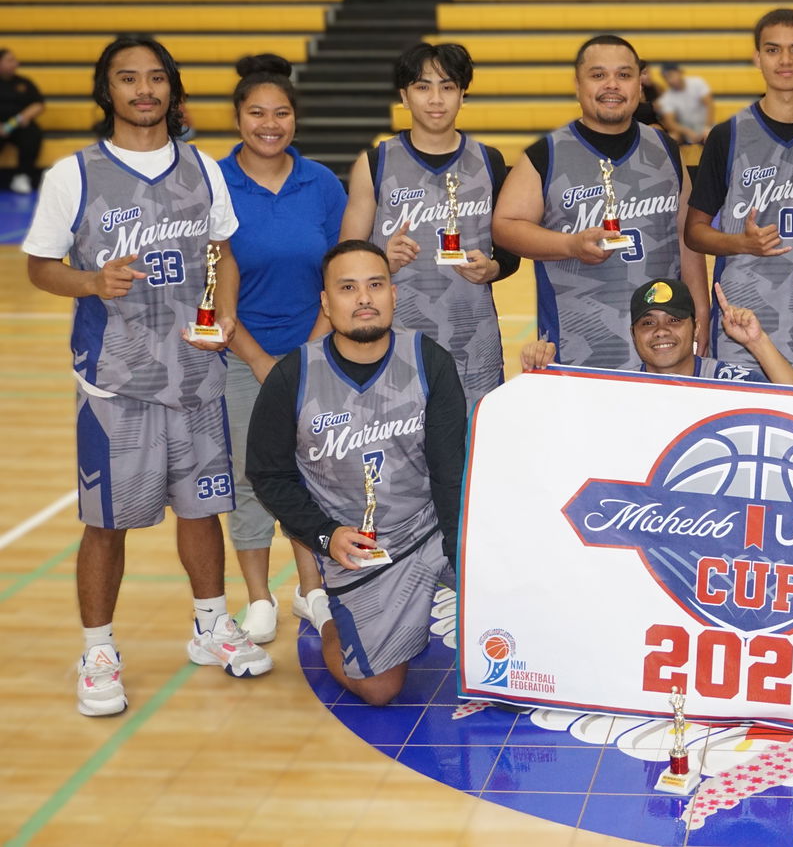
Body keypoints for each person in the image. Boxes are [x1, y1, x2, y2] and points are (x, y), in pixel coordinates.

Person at [22, 35, 272, 716]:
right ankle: (98, 650)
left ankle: (209, 623)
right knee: (107, 523)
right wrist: (90, 280)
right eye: (128, 78)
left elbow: (222, 254)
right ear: (107, 91)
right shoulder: (74, 173)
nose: (144, 90)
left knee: (204, 508)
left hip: (196, 374)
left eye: (156, 77)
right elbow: (40, 266)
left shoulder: (203, 168)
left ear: (172, 89)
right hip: (116, 382)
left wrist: (222, 318)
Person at [247, 240, 466, 706]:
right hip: (360, 546)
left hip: (431, 526)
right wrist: (326, 536)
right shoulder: (293, 377)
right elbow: (268, 475)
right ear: (326, 303)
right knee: (379, 690)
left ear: (393, 294)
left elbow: (451, 473)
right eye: (347, 288)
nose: (364, 298)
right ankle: (326, 612)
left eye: (375, 285)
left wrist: (465, 561)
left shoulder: (429, 360)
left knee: (517, 601)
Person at [217, 54, 348, 642]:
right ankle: (258, 597)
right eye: (256, 113)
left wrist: (309, 352)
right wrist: (258, 359)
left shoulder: (321, 183)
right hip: (240, 357)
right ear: (238, 118)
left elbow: (339, 273)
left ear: (296, 118)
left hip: (316, 355)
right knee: (250, 475)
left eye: (281, 113)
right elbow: (211, 281)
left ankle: (310, 588)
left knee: (313, 473)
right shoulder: (214, 183)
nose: (270, 123)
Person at [492, 34, 710, 369]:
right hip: (577, 345)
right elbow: (505, 227)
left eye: (624, 75)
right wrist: (570, 245)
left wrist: (701, 312)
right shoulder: (547, 154)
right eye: (598, 75)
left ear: (640, 83)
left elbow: (686, 239)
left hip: (663, 346)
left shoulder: (665, 150)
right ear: (578, 84)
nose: (612, 85)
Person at [340, 42, 517, 412]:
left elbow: (510, 251)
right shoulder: (375, 163)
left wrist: (493, 267)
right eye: (423, 87)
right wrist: (382, 261)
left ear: (462, 95)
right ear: (404, 97)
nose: (436, 99)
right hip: (397, 339)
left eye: (447, 86)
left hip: (475, 342)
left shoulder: (490, 161)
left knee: (470, 452)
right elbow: (345, 261)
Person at [684, 8, 793, 388]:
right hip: (740, 328)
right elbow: (694, 233)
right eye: (773, 50)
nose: (786, 60)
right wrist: (739, 243)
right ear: (757, 58)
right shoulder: (728, 135)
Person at [522, 278, 793, 386]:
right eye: (648, 323)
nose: (660, 331)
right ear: (634, 335)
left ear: (696, 329)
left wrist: (758, 342)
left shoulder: (727, 381)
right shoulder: (620, 390)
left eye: (674, 320)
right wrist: (537, 375)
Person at [1, 47, 45, 194]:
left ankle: (22, 176)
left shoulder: (24, 83)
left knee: (32, 134)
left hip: (18, 125)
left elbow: (38, 104)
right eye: (9, 60)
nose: (15, 63)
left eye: (14, 60)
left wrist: (14, 123)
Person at [657, 63, 715, 146]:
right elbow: (670, 122)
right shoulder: (667, 97)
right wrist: (687, 132)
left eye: (671, 75)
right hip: (686, 132)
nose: (669, 80)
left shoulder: (697, 83)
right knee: (672, 137)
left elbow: (709, 104)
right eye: (666, 78)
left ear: (679, 72)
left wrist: (707, 128)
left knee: (712, 134)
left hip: (705, 126)